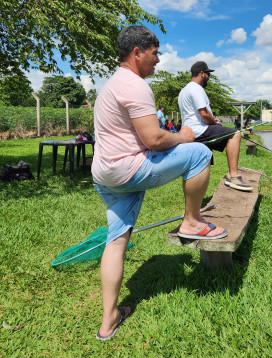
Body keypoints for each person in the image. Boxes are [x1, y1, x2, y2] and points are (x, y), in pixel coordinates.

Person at [91, 26, 227, 341]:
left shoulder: (112, 84)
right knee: (198, 153)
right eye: (155, 52)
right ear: (137, 52)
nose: (158, 59)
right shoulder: (135, 85)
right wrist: (184, 136)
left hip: (105, 176)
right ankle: (192, 222)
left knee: (116, 240)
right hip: (127, 170)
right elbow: (153, 138)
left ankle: (109, 318)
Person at [178, 61, 253, 192]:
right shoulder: (196, 88)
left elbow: (195, 114)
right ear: (202, 74)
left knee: (202, 166)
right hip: (199, 130)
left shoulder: (184, 90)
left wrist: (213, 119)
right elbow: (203, 113)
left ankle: (194, 206)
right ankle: (233, 176)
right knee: (235, 134)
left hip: (190, 131)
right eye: (208, 74)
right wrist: (214, 123)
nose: (209, 77)